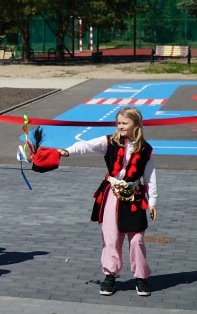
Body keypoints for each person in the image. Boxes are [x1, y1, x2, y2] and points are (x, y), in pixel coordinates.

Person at [59, 107, 157, 297]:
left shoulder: (145, 149)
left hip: (134, 197)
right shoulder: (109, 142)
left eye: (124, 123)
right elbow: (86, 145)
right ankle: (110, 276)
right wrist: (67, 151)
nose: (120, 126)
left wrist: (152, 201)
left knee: (137, 239)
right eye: (118, 122)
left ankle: (141, 278)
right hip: (113, 194)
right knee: (111, 237)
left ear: (136, 125)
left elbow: (150, 177)